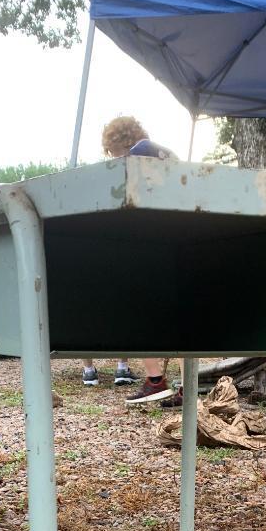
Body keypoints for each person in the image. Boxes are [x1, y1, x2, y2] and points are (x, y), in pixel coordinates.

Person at [81, 116, 183, 405]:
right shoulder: (166, 153)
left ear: (116, 143)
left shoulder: (137, 156)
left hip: (152, 244)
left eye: (111, 151)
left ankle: (155, 381)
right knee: (183, 323)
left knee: (138, 313)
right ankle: (187, 386)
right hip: (181, 239)